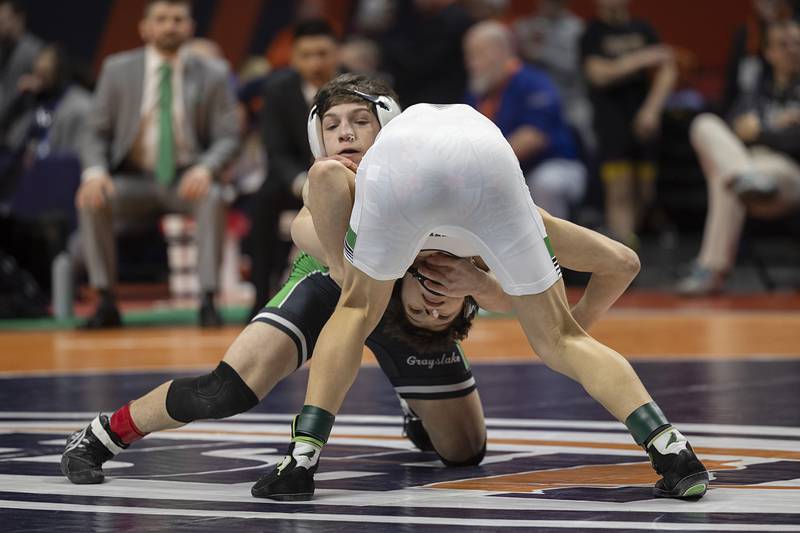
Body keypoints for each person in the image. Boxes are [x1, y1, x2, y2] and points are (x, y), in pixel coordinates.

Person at [60, 74, 642, 488]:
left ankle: (409, 397)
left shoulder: (433, 181)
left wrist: (474, 282)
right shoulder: (329, 183)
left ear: (388, 129)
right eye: (332, 124)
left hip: (407, 311)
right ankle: (105, 432)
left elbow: (511, 288)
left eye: (360, 122)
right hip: (330, 289)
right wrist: (373, 267)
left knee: (464, 452)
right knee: (227, 391)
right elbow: (305, 230)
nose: (345, 134)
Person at [252, 103, 708, 501]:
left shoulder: (378, 237)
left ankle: (303, 457)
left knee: (353, 311)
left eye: (422, 310)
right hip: (486, 160)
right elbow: (622, 263)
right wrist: (572, 332)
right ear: (468, 300)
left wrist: (342, 264)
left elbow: (322, 184)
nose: (434, 302)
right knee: (561, 340)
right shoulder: (499, 251)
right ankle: (671, 450)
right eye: (438, 312)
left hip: (417, 166)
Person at [76, 0, 239, 329]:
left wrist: (206, 168)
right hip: (133, 179)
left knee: (212, 196)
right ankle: (105, 300)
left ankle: (208, 300)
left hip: (185, 179)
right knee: (92, 199)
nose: (169, 26)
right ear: (145, 28)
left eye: (178, 19)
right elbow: (94, 131)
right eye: (161, 19)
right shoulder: (117, 69)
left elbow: (228, 136)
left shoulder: (214, 73)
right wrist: (95, 172)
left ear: (190, 28)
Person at [675, 19, 800, 295]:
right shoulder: (757, 90)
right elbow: (732, 132)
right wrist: (778, 127)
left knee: (726, 177)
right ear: (769, 53)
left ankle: (710, 269)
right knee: (705, 124)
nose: (792, 50)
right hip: (750, 173)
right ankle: (745, 176)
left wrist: (762, 132)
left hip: (787, 176)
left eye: (797, 44)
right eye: (784, 45)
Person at [249, 19, 339, 316]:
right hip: (296, 180)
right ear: (294, 58)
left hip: (347, 177)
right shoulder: (277, 90)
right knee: (263, 202)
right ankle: (260, 296)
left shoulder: (358, 87)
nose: (315, 63)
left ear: (336, 54)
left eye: (322, 54)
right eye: (306, 55)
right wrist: (303, 182)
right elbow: (275, 150)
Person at [464, 20, 586, 221]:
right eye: (468, 56)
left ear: (501, 51)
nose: (471, 63)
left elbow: (532, 138)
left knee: (546, 183)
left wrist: (480, 168)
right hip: (506, 170)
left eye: (477, 54)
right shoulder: (478, 91)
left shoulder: (534, 83)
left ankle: (553, 241)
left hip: (555, 165)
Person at [580, 0, 676, 247]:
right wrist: (642, 58)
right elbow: (598, 74)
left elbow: (668, 68)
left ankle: (629, 241)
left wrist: (652, 110)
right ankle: (622, 245)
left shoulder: (643, 28)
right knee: (619, 189)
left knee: (645, 189)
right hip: (611, 120)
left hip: (644, 116)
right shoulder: (592, 33)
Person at [514, 0, 595, 153]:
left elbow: (574, 66)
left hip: (570, 100)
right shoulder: (527, 26)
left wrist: (541, 53)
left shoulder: (575, 27)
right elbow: (517, 65)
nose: (546, 5)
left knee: (584, 132)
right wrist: (525, 44)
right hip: (536, 99)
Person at [0, 0, 42, 121]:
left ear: (19, 19)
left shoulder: (36, 53)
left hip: (17, 123)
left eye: (2, 22)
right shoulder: (3, 47)